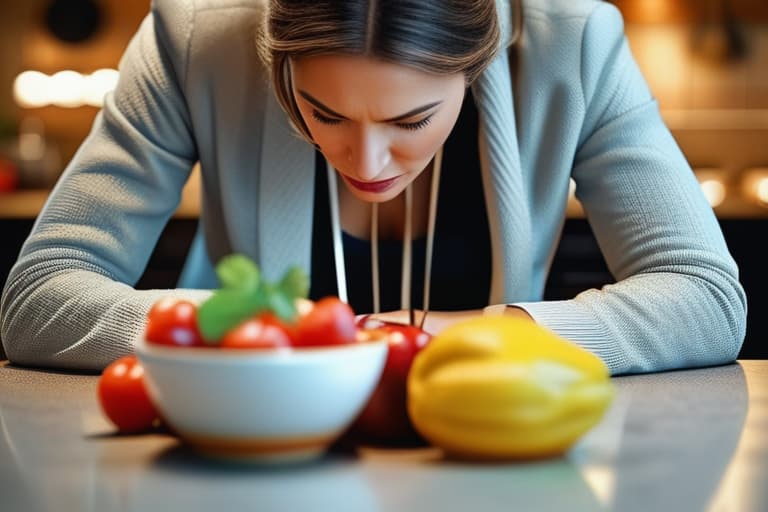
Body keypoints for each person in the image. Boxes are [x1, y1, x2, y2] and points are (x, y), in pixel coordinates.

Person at [0, 0, 747, 375]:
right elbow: (39, 299)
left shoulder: (573, 40)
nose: (369, 158)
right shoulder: (196, 37)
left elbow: (706, 297)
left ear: (480, 61)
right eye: (322, 112)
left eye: (413, 117)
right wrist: (261, 332)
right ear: (274, 59)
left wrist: (455, 338)